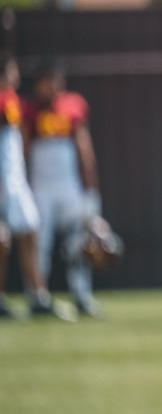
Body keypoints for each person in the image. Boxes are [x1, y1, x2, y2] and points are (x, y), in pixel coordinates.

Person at [24, 60, 107, 317]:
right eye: (48, 81)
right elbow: (25, 150)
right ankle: (38, 296)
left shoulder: (72, 106)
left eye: (56, 80)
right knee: (40, 244)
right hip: (41, 187)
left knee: (79, 243)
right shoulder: (29, 111)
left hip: (69, 185)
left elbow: (84, 148)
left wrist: (90, 190)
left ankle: (82, 295)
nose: (53, 86)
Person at [0, 55, 73, 320]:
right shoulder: (4, 100)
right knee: (4, 240)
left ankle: (37, 295)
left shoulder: (12, 101)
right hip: (5, 180)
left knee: (28, 232)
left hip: (14, 179)